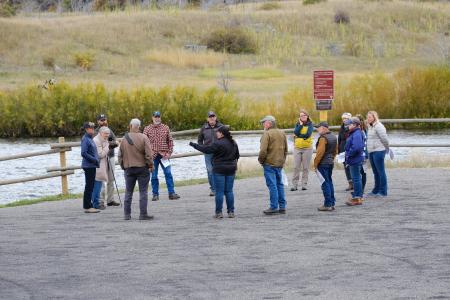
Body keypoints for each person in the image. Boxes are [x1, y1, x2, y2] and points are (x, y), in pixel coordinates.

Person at [190, 126, 240, 218]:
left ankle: (219, 212)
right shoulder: (233, 143)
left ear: (222, 133)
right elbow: (237, 155)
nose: (216, 133)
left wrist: (194, 145)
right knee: (229, 191)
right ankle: (231, 212)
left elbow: (206, 150)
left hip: (219, 169)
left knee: (219, 192)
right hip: (231, 169)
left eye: (217, 132)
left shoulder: (217, 143)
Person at [118, 118, 154, 220]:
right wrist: (150, 165)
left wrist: (123, 166)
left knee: (128, 192)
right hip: (142, 168)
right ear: (139, 127)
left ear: (130, 126)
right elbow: (149, 154)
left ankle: (127, 215)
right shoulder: (144, 137)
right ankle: (143, 214)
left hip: (128, 168)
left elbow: (120, 156)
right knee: (143, 192)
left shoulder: (124, 139)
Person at [143, 111, 180, 201]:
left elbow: (170, 141)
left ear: (160, 117)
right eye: (155, 117)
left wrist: (169, 153)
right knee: (154, 176)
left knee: (168, 173)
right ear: (152, 118)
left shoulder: (166, 127)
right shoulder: (147, 129)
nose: (157, 118)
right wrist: (147, 156)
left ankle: (171, 193)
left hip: (164, 155)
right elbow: (143, 143)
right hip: (153, 156)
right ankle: (155, 194)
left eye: (158, 116)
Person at [258, 115, 288, 215]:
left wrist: (261, 161)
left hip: (269, 164)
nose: (263, 124)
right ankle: (282, 206)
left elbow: (263, 151)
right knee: (280, 185)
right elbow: (286, 149)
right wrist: (283, 160)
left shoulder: (267, 134)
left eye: (264, 122)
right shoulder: (282, 132)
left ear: (269, 123)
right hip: (279, 163)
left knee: (272, 185)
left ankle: (273, 207)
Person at [96, 114, 120, 209]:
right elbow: (97, 143)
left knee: (111, 178)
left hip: (111, 156)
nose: (103, 122)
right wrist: (110, 144)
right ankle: (100, 201)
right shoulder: (96, 132)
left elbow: (116, 141)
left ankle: (110, 200)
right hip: (101, 158)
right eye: (101, 120)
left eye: (104, 120)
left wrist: (110, 143)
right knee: (101, 179)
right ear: (98, 121)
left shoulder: (110, 130)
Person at [197, 111, 223, 197]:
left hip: (219, 153)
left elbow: (227, 138)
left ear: (216, 117)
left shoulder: (221, 127)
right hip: (208, 153)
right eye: (210, 117)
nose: (211, 118)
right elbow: (200, 140)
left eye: (213, 116)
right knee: (210, 171)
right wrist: (202, 148)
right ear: (207, 119)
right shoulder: (204, 128)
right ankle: (213, 189)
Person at [313, 122, 338, 212]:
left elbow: (320, 153)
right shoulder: (334, 136)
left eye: (318, 128)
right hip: (330, 162)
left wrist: (315, 164)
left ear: (323, 128)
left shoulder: (323, 138)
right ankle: (332, 203)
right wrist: (331, 159)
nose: (317, 130)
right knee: (329, 182)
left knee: (324, 183)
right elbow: (335, 151)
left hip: (323, 163)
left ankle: (327, 204)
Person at [367, 111, 389, 197]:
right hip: (371, 151)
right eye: (367, 117)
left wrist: (387, 148)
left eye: (370, 117)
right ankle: (376, 190)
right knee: (375, 172)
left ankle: (383, 191)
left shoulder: (379, 126)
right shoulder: (370, 127)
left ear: (374, 117)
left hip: (379, 151)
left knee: (381, 171)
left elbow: (384, 138)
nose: (368, 119)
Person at [344, 117, 365, 206]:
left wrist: (349, 154)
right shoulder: (355, 132)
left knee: (356, 179)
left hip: (355, 159)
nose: (348, 126)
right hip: (355, 159)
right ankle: (358, 196)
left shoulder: (356, 133)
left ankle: (357, 198)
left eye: (350, 124)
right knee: (356, 178)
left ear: (355, 125)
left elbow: (357, 147)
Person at [291, 109, 314, 191]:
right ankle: (294, 185)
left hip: (307, 148)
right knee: (296, 167)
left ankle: (304, 184)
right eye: (301, 116)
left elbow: (307, 135)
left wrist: (299, 135)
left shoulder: (310, 124)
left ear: (307, 116)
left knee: (305, 167)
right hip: (297, 148)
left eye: (304, 115)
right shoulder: (298, 124)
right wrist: (300, 126)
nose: (302, 117)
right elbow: (296, 132)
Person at [80, 122, 100, 213]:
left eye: (93, 128)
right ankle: (87, 206)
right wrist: (94, 160)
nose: (92, 129)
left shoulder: (90, 138)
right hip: (88, 165)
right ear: (86, 129)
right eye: (90, 128)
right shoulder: (85, 139)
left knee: (90, 186)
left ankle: (89, 205)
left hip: (92, 165)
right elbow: (83, 153)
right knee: (89, 186)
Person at [92, 126, 111, 210]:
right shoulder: (96, 140)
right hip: (97, 165)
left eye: (108, 133)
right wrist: (108, 147)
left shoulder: (103, 139)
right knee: (97, 184)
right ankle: (96, 203)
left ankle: (97, 202)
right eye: (105, 133)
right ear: (100, 133)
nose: (107, 135)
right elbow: (100, 154)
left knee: (98, 184)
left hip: (101, 165)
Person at [338, 112, 353, 191]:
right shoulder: (342, 127)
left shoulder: (351, 127)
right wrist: (339, 150)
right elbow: (339, 139)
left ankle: (355, 182)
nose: (344, 120)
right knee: (346, 167)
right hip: (342, 150)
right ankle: (350, 183)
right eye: (343, 118)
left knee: (351, 166)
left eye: (346, 118)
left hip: (350, 150)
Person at [355, 114, 368, 192]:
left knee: (362, 172)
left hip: (363, 154)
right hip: (362, 154)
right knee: (361, 172)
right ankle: (360, 189)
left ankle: (361, 189)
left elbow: (364, 144)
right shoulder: (362, 130)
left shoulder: (362, 131)